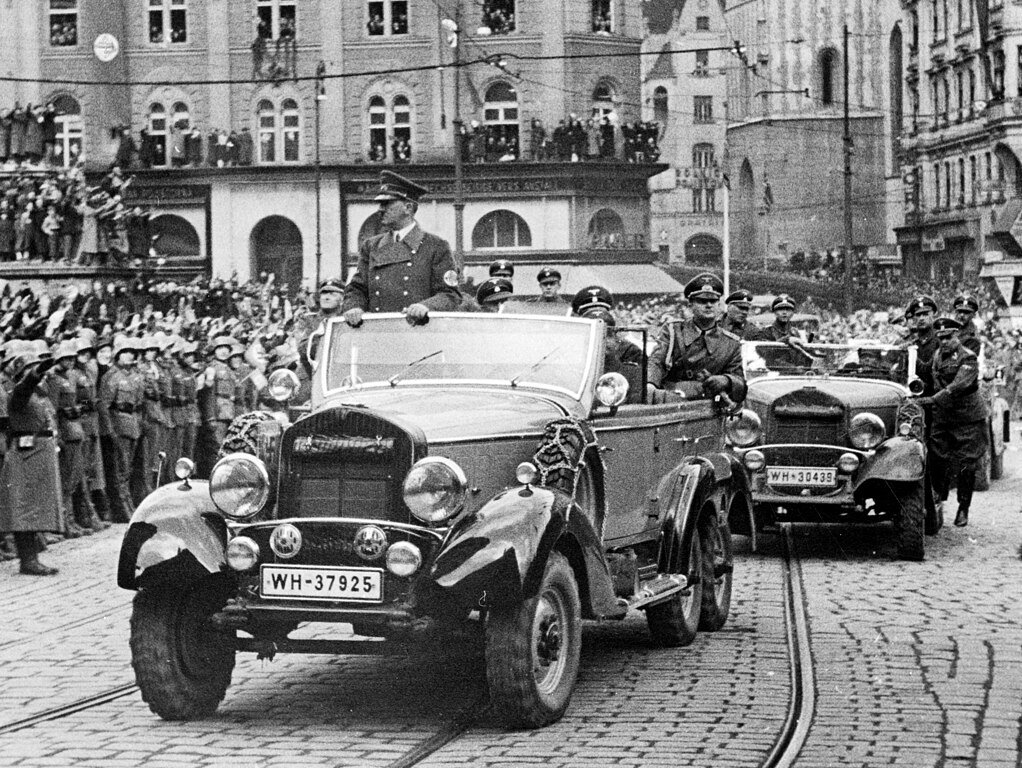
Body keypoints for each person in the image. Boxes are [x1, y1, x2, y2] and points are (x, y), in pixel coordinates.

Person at [342, 170, 461, 327]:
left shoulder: (436, 246)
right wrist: (354, 307)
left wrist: (426, 306)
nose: (380, 209)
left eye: (387, 203)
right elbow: (356, 288)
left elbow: (450, 295)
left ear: (408, 207)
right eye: (380, 204)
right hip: (378, 333)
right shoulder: (371, 246)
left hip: (418, 333)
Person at [919, 317, 988, 527]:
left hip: (967, 418)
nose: (944, 341)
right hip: (944, 417)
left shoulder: (968, 358)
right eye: (940, 338)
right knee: (937, 457)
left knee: (967, 464)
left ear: (957, 336)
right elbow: (926, 372)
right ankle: (938, 499)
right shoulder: (938, 355)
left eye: (948, 337)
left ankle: (963, 507)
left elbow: (957, 386)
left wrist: (932, 399)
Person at [0, 352, 61, 575]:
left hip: (39, 453)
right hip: (26, 455)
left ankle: (32, 557)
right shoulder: (19, 393)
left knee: (34, 506)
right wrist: (35, 374)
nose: (39, 372)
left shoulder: (40, 394)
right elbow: (23, 388)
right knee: (24, 508)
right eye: (31, 368)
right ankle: (28, 560)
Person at [646, 272, 746, 404]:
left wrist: (726, 380)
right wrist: (650, 384)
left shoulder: (730, 343)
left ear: (719, 305)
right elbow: (656, 361)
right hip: (671, 401)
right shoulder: (673, 331)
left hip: (708, 407)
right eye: (702, 301)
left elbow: (740, 383)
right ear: (690, 305)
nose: (708, 305)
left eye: (713, 301)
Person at [98, 336, 144, 523]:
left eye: (131, 353)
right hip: (118, 425)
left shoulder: (135, 377)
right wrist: (110, 430)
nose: (129, 356)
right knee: (120, 469)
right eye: (125, 353)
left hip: (133, 425)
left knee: (128, 468)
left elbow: (139, 404)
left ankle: (128, 504)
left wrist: (139, 424)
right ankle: (121, 508)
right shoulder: (111, 376)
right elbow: (103, 405)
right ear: (117, 355)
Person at [572, 286, 643, 395]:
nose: (597, 315)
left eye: (602, 311)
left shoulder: (630, 350)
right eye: (589, 311)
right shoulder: (572, 350)